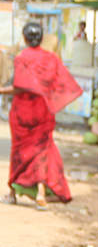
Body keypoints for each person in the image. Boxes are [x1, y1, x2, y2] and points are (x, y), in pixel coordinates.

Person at [1, 21, 83, 208]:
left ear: (24, 38)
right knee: (41, 152)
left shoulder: (22, 58)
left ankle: (13, 194)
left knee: (19, 152)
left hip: (22, 113)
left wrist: (1, 90)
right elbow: (59, 83)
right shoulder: (51, 58)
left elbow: (19, 87)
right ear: (41, 38)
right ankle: (40, 195)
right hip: (43, 111)